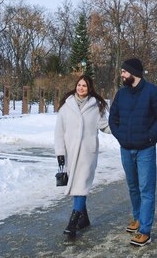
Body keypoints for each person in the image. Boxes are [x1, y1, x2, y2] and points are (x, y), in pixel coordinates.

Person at [109, 58, 157, 247]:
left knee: (146, 190)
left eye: (124, 72)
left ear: (133, 72)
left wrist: (149, 137)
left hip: (145, 150)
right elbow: (113, 118)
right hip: (125, 149)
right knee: (133, 187)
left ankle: (145, 231)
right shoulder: (121, 94)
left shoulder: (153, 92)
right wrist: (120, 136)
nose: (122, 74)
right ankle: (137, 218)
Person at [54, 74, 110, 238]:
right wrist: (60, 154)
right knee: (79, 185)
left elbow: (104, 126)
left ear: (89, 88)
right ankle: (84, 220)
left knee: (81, 186)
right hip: (71, 153)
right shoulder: (66, 107)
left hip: (87, 153)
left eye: (84, 86)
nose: (81, 88)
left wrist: (121, 128)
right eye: (79, 85)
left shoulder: (96, 106)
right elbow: (59, 132)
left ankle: (72, 224)